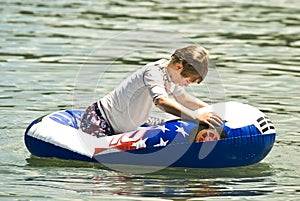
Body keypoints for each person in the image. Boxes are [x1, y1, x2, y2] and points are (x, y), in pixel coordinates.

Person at [80, 45, 222, 137]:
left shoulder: (171, 76)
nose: (187, 84)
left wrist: (213, 109)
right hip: (100, 121)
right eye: (189, 80)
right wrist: (195, 117)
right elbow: (161, 101)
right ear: (179, 67)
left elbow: (184, 99)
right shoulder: (154, 72)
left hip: (125, 126)